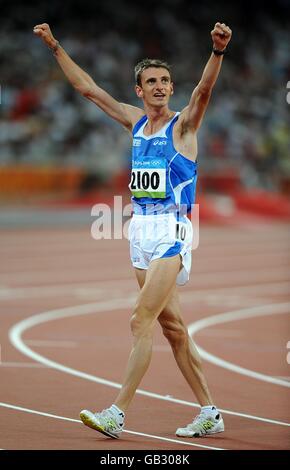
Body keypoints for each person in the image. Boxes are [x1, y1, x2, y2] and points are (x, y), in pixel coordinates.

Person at [33, 21, 232, 439]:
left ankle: (117, 413)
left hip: (172, 231)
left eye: (164, 80)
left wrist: (216, 52)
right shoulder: (134, 122)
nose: (159, 87)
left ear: (170, 86)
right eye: (150, 82)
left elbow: (204, 92)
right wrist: (54, 47)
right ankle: (210, 412)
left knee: (140, 321)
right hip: (139, 231)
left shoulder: (184, 126)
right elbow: (88, 89)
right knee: (173, 328)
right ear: (139, 91)